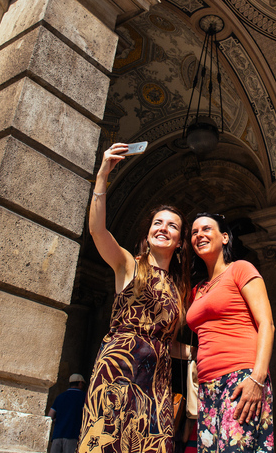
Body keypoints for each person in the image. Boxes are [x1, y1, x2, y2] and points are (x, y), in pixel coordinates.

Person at [77, 143, 191, 453]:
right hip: (116, 372)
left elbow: (166, 342)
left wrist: (201, 354)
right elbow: (98, 230)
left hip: (157, 381)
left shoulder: (179, 288)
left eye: (172, 225)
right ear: (148, 232)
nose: (163, 228)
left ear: (180, 242)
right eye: (158, 222)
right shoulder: (128, 264)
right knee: (106, 444)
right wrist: (102, 177)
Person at [186, 213, 275, 453]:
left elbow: (267, 323)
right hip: (207, 386)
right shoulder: (198, 290)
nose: (199, 235)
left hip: (241, 378)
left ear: (224, 237)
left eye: (206, 229)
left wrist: (257, 379)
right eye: (194, 232)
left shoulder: (240, 269)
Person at [48, 373, 87, 453]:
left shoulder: (60, 397)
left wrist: (57, 420)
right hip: (72, 435)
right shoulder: (84, 397)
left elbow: (50, 416)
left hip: (57, 436)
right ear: (80, 383)